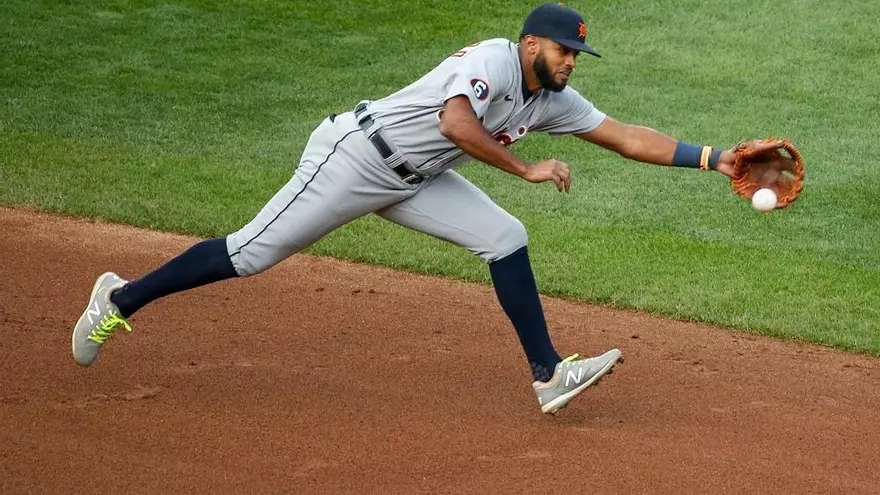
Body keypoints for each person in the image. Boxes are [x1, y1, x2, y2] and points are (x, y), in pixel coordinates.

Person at [72, 3, 740, 415]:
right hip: (355, 156)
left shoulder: (553, 100)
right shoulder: (492, 61)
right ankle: (120, 299)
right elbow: (456, 122)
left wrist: (715, 158)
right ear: (533, 43)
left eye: (577, 54)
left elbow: (626, 137)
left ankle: (548, 372)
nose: (573, 62)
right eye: (566, 50)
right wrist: (525, 166)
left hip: (417, 178)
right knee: (251, 253)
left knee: (505, 235)